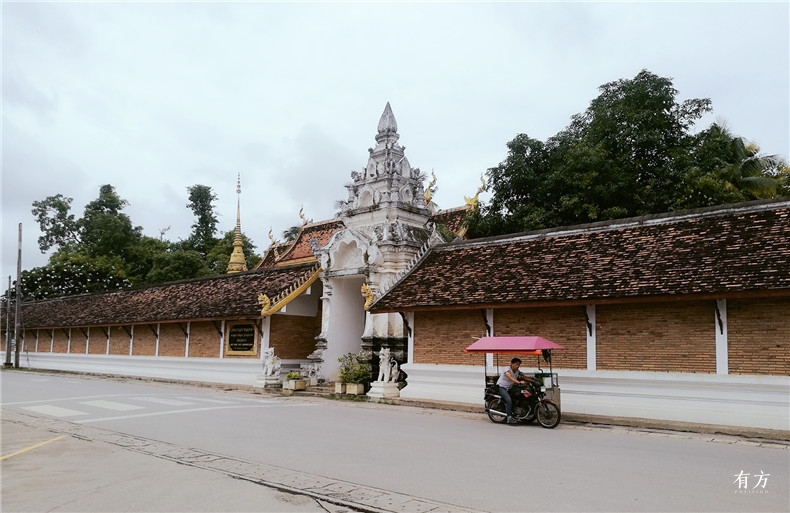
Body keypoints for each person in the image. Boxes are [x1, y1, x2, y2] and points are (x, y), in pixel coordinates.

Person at [496, 357, 535, 424]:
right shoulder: (507, 369)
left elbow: (523, 377)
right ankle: (509, 417)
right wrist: (518, 382)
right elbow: (510, 377)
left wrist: (533, 381)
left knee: (521, 393)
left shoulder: (517, 371)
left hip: (510, 388)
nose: (518, 366)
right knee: (508, 400)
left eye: (519, 365)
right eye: (516, 364)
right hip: (502, 387)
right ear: (512, 364)